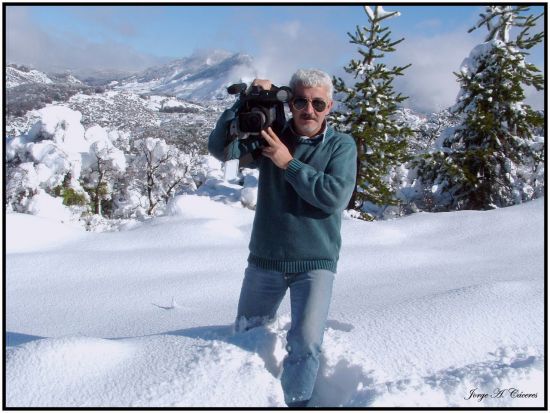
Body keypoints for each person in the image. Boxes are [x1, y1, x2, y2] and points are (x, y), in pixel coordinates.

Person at [208, 68, 357, 407]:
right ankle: (248, 399)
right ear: (290, 103)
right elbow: (221, 149)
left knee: (305, 344)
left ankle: (298, 403)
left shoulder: (340, 145)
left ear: (329, 107)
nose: (309, 110)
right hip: (266, 259)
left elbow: (334, 196)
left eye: (318, 103)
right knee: (248, 336)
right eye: (301, 101)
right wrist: (244, 102)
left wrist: (287, 163)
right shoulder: (272, 135)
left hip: (315, 261)